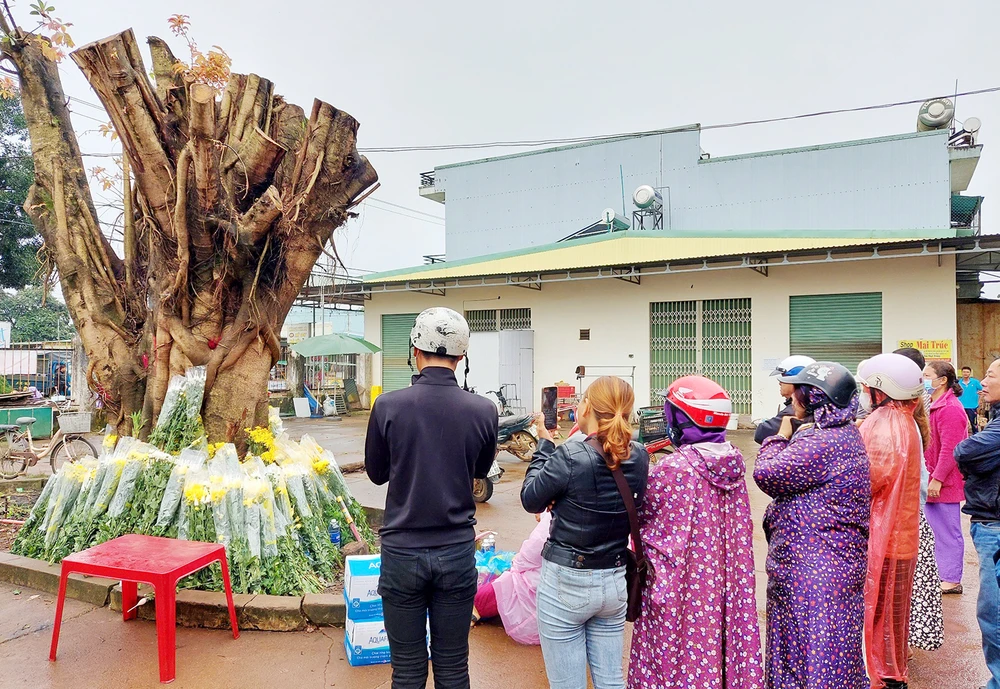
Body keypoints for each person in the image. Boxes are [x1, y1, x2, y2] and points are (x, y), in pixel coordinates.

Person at [365, 307, 498, 689]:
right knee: (454, 667)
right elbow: (479, 470)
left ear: (415, 350)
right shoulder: (484, 410)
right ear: (461, 356)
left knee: (406, 671)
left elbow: (377, 473)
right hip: (456, 552)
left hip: (402, 553)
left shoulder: (388, 406)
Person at [628, 376, 763, 689]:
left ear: (684, 418)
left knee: (677, 655)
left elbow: (642, 520)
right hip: (723, 586)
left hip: (682, 590)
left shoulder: (674, 468)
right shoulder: (733, 464)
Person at [521, 376, 650, 689]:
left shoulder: (569, 456)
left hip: (567, 581)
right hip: (614, 582)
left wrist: (544, 446)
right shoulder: (640, 456)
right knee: (610, 680)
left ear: (587, 407)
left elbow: (530, 498)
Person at [753, 361, 870, 689]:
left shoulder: (819, 442)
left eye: (798, 396)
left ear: (814, 400)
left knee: (809, 651)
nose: (792, 402)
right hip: (833, 563)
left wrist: (780, 437)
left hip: (812, 569)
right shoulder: (845, 433)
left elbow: (766, 475)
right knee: (834, 647)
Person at [857, 353, 925, 689]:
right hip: (903, 537)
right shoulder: (905, 419)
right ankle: (892, 675)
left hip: (885, 540)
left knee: (879, 618)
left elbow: (868, 480)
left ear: (880, 390)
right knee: (893, 622)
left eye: (866, 387)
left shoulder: (884, 425)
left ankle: (883, 679)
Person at [889, 348, 944, 654]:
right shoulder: (914, 406)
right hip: (912, 505)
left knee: (902, 580)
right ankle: (901, 642)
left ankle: (900, 644)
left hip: (905, 509)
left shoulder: (902, 416)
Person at [955, 358, 1000, 689]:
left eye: (990, 376)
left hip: (994, 526)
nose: (982, 382)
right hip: (988, 518)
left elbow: (964, 451)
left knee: (992, 612)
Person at [471, 510, 551, 645]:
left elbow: (531, 553)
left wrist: (515, 564)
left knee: (505, 583)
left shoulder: (553, 518)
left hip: (549, 584)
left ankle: (475, 611)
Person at [923, 361, 969, 594]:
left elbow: (951, 448)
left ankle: (951, 578)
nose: (923, 379)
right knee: (935, 531)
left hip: (943, 482)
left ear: (942, 380)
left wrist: (938, 478)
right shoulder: (934, 404)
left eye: (927, 375)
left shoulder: (950, 408)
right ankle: (941, 574)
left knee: (947, 531)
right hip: (932, 478)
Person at [754, 355, 815, 444]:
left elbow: (761, 434)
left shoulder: (796, 410)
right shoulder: (818, 405)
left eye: (784, 376)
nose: (780, 382)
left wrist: (782, 434)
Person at [960, 366, 984, 433]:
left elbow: (982, 391)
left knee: (974, 423)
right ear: (961, 373)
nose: (965, 373)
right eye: (964, 372)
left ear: (970, 373)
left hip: (972, 406)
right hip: (961, 406)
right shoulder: (958, 383)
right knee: (961, 423)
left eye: (967, 372)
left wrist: (980, 401)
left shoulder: (975, 382)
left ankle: (976, 437)